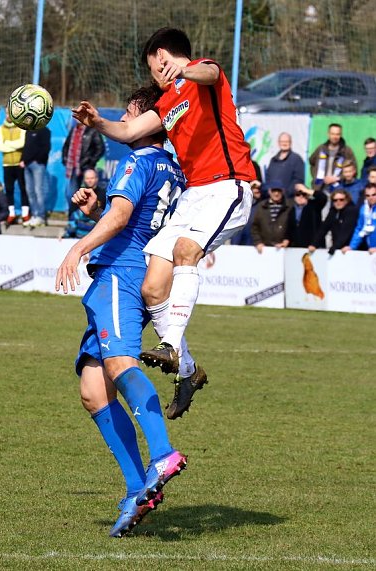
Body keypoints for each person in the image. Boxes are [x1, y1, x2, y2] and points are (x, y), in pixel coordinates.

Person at [72, 28, 256, 392]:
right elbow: (128, 133)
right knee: (153, 287)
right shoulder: (168, 103)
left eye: (154, 66)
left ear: (161, 56)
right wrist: (97, 123)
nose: (155, 74)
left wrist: (183, 70)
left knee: (184, 250)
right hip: (193, 195)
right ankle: (187, 372)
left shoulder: (202, 73)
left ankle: (170, 345)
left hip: (227, 184)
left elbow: (211, 73)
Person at [55, 86, 186, 538]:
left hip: (121, 277)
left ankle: (164, 453)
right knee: (94, 390)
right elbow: (135, 223)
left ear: (147, 119)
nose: (125, 120)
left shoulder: (139, 160)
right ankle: (137, 488)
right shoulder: (175, 169)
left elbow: (124, 214)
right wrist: (98, 213)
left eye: (130, 113)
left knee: (120, 363)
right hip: (135, 272)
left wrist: (80, 245)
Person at [62, 119, 105, 216]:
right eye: (75, 117)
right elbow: (66, 146)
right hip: (73, 168)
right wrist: (65, 159)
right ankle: (73, 220)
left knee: (88, 195)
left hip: (86, 168)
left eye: (79, 116)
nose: (77, 119)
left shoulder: (92, 130)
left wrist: (90, 161)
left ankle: (88, 218)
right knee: (72, 195)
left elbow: (100, 148)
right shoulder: (74, 130)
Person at [0, 113, 28, 225]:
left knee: (23, 188)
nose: (8, 115)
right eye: (6, 113)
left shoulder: (22, 127)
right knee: (9, 189)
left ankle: (25, 214)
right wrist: (14, 145)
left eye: (10, 113)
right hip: (7, 164)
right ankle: (11, 213)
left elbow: (22, 143)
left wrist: (7, 144)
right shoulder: (0, 129)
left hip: (20, 163)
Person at [309, 123, 356, 192]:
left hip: (338, 188)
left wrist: (337, 178)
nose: (335, 137)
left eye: (337, 134)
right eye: (333, 134)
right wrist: (316, 176)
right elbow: (312, 163)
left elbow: (354, 170)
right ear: (328, 134)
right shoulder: (321, 149)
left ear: (341, 135)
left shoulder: (346, 151)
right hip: (320, 188)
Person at [309, 189, 358, 255]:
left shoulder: (351, 210)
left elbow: (346, 231)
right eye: (335, 200)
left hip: (351, 248)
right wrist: (314, 244)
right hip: (338, 248)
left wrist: (334, 247)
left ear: (347, 200)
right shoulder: (333, 211)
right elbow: (323, 228)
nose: (338, 202)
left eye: (341, 199)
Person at [21, 124, 51, 228]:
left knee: (38, 190)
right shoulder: (28, 130)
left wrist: (37, 160)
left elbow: (46, 148)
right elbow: (26, 146)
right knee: (30, 191)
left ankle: (41, 217)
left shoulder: (44, 130)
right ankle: (34, 215)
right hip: (26, 165)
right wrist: (23, 159)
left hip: (37, 165)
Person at [61, 169, 105, 239]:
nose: (90, 180)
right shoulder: (79, 194)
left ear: (96, 179)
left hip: (97, 231)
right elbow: (72, 216)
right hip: (79, 233)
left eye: (92, 178)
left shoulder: (103, 194)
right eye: (87, 178)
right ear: (84, 179)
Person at [251, 180, 290, 253]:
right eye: (273, 191)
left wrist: (287, 240)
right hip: (264, 248)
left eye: (279, 191)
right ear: (269, 191)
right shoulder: (261, 206)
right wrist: (258, 242)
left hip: (284, 249)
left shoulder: (289, 207)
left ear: (283, 192)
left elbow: (292, 227)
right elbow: (255, 227)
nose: (276, 193)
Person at [265, 132, 305, 199]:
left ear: (291, 142)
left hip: (288, 200)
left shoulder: (296, 159)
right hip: (272, 198)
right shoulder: (273, 160)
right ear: (278, 143)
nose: (284, 143)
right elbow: (268, 178)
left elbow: (298, 180)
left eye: (287, 141)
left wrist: (286, 193)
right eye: (282, 141)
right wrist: (270, 192)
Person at [341, 183, 376, 254]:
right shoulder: (363, 209)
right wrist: (351, 246)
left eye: (374, 195)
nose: (371, 197)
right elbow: (360, 229)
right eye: (368, 195)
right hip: (370, 250)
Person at [231, 181, 264, 247]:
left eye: (259, 188)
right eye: (254, 188)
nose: (257, 190)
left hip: (256, 244)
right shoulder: (242, 205)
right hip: (241, 241)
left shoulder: (262, 205)